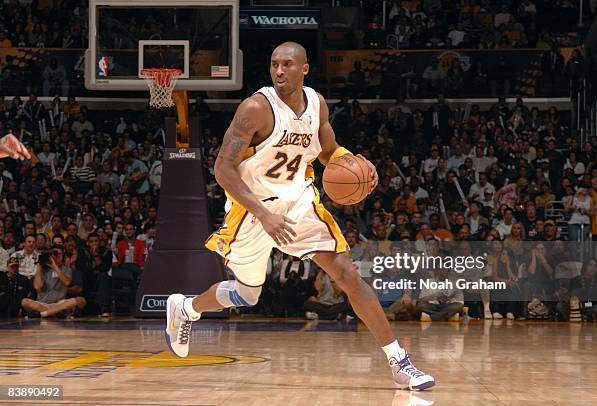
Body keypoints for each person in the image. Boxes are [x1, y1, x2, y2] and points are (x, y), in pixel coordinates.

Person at [165, 42, 435, 390]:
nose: (279, 71)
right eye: (274, 64)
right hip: (252, 208)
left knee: (347, 274)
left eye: (287, 65)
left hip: (298, 202)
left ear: (304, 69)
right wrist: (263, 214)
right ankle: (187, 308)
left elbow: (328, 151)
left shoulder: (317, 104)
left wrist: (354, 163)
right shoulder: (255, 108)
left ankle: (400, 362)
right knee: (248, 295)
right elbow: (222, 168)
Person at [21, 245, 86, 318]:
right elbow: (37, 286)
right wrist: (39, 265)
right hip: (43, 304)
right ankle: (54, 313)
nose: (57, 256)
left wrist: (54, 266)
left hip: (60, 303)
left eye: (59, 254)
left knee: (80, 300)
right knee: (25, 301)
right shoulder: (43, 270)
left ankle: (44, 314)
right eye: (55, 254)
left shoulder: (67, 269)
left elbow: (67, 282)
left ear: (63, 256)